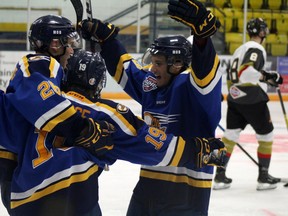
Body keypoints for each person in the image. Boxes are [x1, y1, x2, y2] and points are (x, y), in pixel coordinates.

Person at [1, 47, 226, 215]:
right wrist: (199, 150)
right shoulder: (106, 114)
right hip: (74, 203)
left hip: (24, 204)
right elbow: (154, 145)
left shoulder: (32, 107)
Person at [79, 0, 223, 215]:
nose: (152, 68)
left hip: (186, 192)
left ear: (176, 64)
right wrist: (107, 40)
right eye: (152, 62)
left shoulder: (194, 90)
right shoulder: (153, 84)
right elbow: (125, 68)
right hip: (148, 186)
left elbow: (204, 73)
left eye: (158, 63)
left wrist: (202, 37)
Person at [0, 14, 116, 216]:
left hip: (25, 170)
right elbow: (44, 103)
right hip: (26, 174)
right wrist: (84, 129)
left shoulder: (52, 71)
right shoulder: (42, 63)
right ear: (55, 44)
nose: (72, 50)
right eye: (69, 43)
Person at [213, 17, 283, 191]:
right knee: (266, 136)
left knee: (230, 136)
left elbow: (233, 76)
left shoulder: (239, 49)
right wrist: (267, 77)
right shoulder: (256, 48)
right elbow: (246, 71)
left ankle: (220, 177)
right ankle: (263, 178)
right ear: (262, 32)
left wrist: (236, 94)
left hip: (235, 99)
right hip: (252, 99)